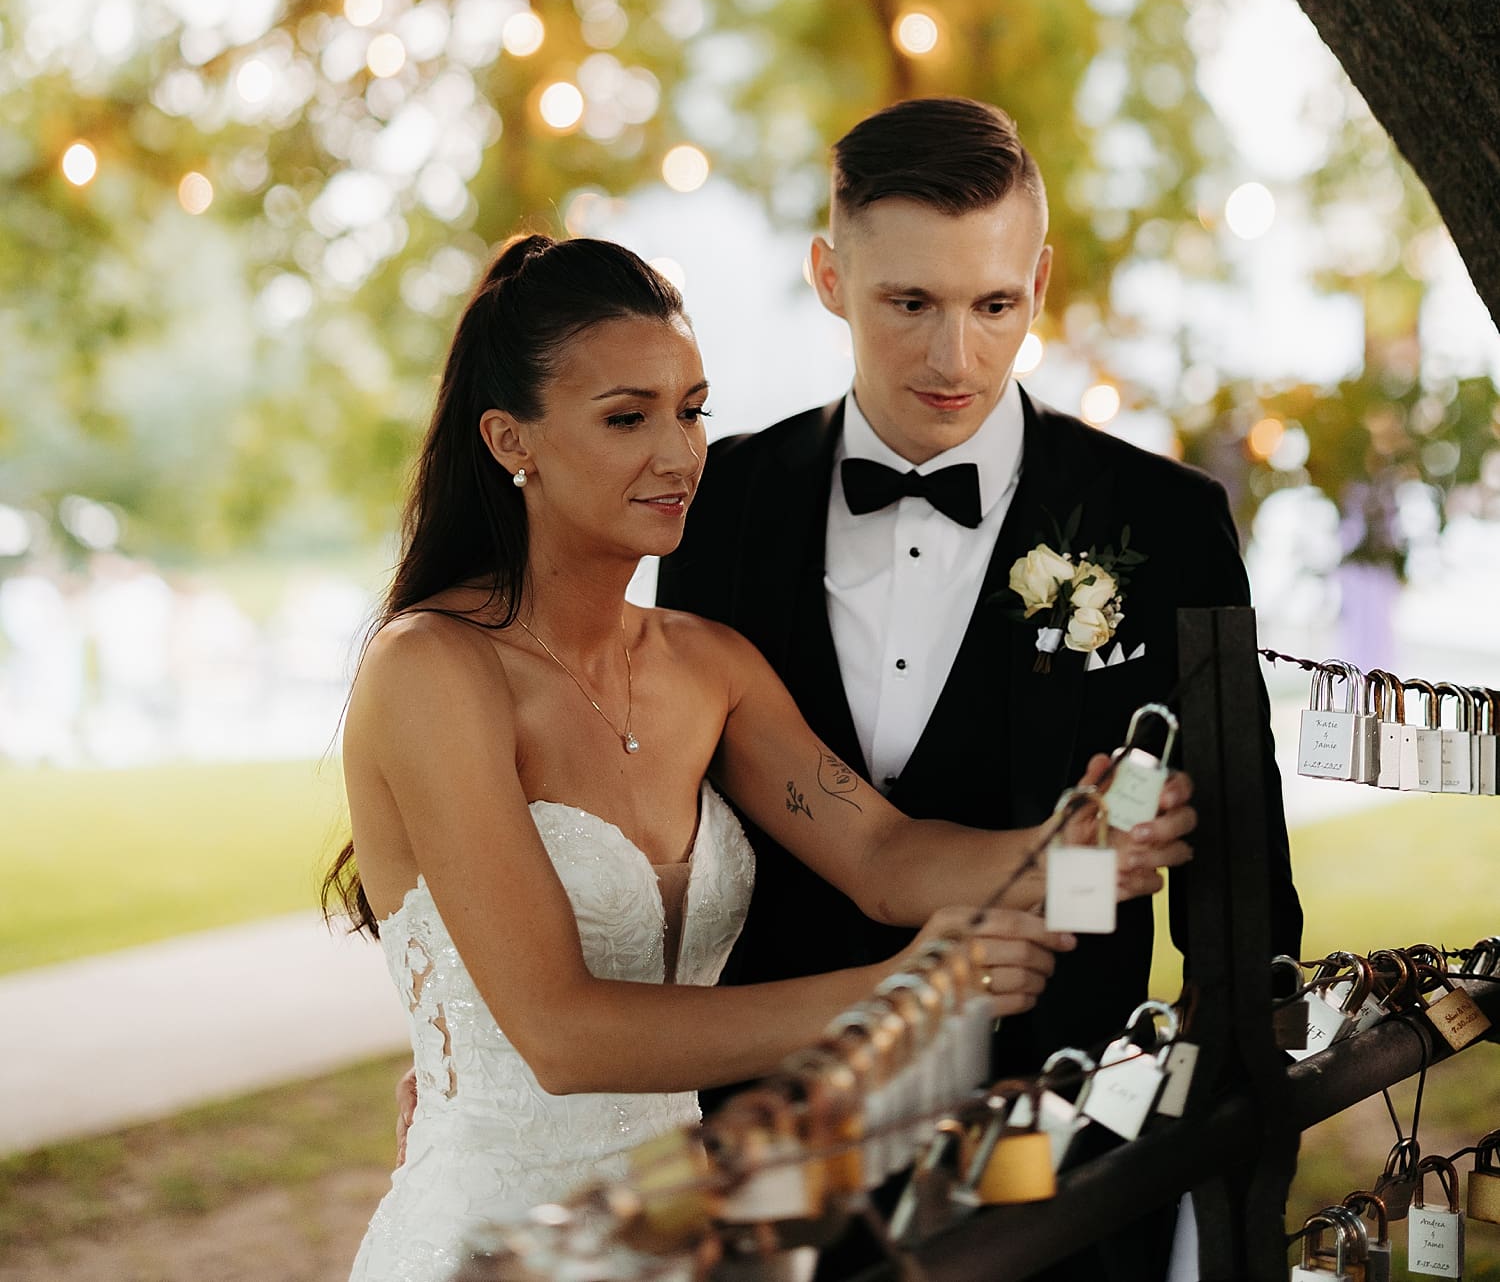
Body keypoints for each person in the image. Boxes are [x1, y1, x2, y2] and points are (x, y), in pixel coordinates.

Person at [338, 231, 1196, 1282]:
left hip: (687, 1240)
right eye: (627, 418)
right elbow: (559, 1035)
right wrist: (911, 993)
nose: (679, 453)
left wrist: (1074, 849)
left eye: (691, 410)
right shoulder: (432, 673)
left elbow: (883, 859)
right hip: (495, 1244)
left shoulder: (707, 667)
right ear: (511, 439)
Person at [657, 96, 1301, 1278]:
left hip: (1068, 1147)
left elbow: (1247, 880)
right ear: (829, 275)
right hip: (781, 1142)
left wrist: (1235, 1159)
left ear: (1040, 282)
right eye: (910, 303)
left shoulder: (1165, 523)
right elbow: (657, 811)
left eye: (993, 304)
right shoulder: (714, 506)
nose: (956, 357)